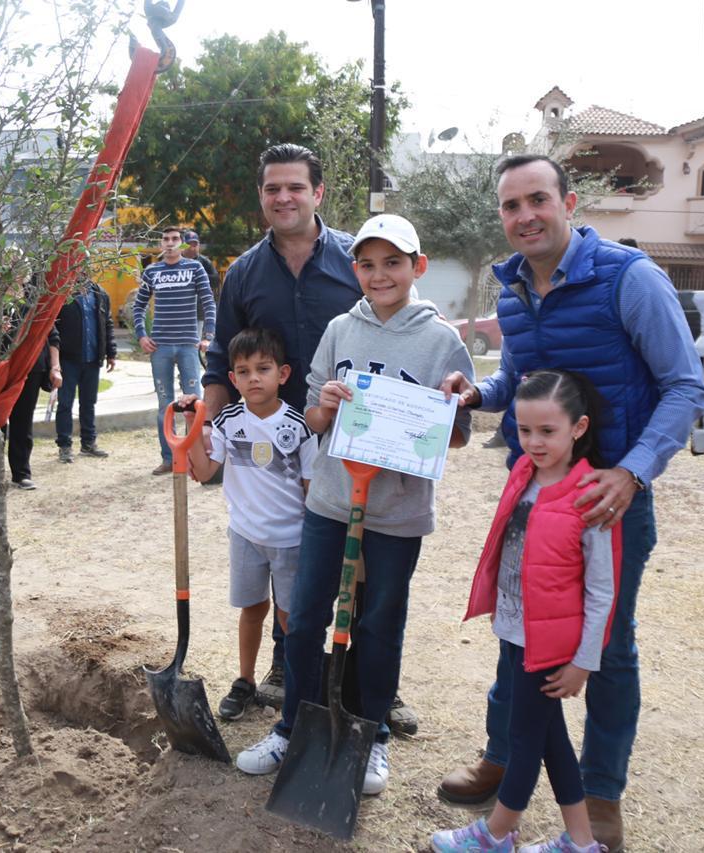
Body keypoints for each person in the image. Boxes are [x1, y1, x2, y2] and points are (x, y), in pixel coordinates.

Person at [437, 155, 704, 853]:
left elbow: (685, 387)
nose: (524, 215)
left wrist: (632, 475)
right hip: (532, 494)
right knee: (516, 629)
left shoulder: (631, 278)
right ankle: (505, 754)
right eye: (510, 205)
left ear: (569, 201)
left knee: (608, 646)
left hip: (607, 500)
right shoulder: (513, 289)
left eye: (537, 199)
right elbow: (524, 380)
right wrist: (478, 394)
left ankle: (602, 790)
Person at [236, 214, 474, 797]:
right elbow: (315, 416)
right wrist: (329, 403)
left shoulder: (441, 339)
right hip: (331, 499)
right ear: (355, 270)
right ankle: (293, 725)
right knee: (306, 614)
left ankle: (374, 737)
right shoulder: (342, 329)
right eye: (367, 264)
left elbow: (460, 432)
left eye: (393, 262)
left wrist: (435, 416)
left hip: (398, 511)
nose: (379, 274)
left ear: (417, 267)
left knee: (380, 621)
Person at [201, 143, 418, 732]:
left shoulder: (359, 260)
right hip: (275, 443)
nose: (284, 198)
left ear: (317, 193)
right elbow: (222, 362)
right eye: (273, 188)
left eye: (295, 187)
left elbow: (404, 326)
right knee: (292, 557)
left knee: (367, 566)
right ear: (262, 196)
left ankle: (376, 688)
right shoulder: (244, 273)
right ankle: (284, 670)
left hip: (355, 440)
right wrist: (203, 429)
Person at [431, 370, 615, 853]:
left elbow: (601, 590)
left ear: (578, 428)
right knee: (549, 734)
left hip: (551, 641)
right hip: (514, 628)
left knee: (524, 736)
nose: (534, 442)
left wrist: (583, 661)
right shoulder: (522, 475)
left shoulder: (591, 496)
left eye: (548, 431)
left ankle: (495, 833)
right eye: (525, 430)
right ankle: (580, 841)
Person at [178, 328, 318, 720]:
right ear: (233, 379)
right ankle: (245, 681)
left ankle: (300, 688)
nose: (253, 378)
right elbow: (205, 472)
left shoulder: (299, 426)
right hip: (245, 536)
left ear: (283, 374)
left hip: (292, 539)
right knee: (252, 609)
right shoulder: (226, 422)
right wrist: (192, 430)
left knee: (291, 618)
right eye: (242, 371)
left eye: (263, 368)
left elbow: (310, 489)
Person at [132, 226, 215, 475]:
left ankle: (194, 456)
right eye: (166, 239)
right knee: (164, 405)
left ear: (181, 243)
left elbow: (209, 301)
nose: (170, 243)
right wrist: (141, 335)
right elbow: (138, 307)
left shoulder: (194, 268)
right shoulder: (152, 271)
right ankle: (169, 458)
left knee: (194, 403)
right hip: (161, 347)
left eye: (175, 239)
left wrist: (208, 336)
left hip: (188, 344)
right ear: (160, 244)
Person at [0, 277, 61, 496]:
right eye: (10, 263)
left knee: (22, 422)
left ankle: (21, 473)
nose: (16, 271)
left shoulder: (36, 298)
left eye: (21, 266)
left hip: (31, 368)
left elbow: (52, 335)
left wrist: (55, 367)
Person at [53, 277, 116, 463]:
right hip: (68, 359)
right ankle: (64, 446)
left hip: (92, 358)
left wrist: (111, 352)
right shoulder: (62, 293)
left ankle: (88, 443)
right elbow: (53, 326)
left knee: (89, 403)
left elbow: (107, 323)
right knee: (65, 404)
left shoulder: (100, 293)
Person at [182, 229, 221, 303]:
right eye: (189, 244)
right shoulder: (177, 260)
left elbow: (216, 280)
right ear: (183, 245)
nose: (192, 248)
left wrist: (200, 276)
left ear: (199, 245)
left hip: (200, 303)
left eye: (195, 245)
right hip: (181, 301)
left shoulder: (204, 261)